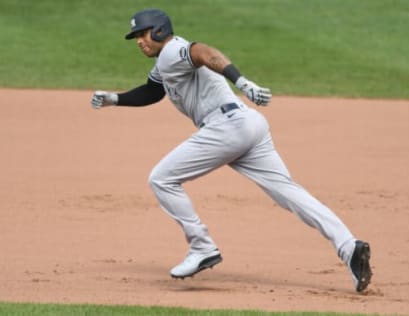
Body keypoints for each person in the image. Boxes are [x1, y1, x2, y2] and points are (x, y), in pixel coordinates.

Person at [91, 8, 372, 292]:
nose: (140, 40)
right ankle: (349, 246)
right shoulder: (165, 62)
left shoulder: (172, 51)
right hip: (249, 125)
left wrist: (242, 81)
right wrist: (115, 99)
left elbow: (205, 52)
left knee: (161, 178)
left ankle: (201, 246)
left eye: (143, 33)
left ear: (161, 30)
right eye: (136, 36)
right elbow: (153, 91)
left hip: (226, 127)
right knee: (289, 193)